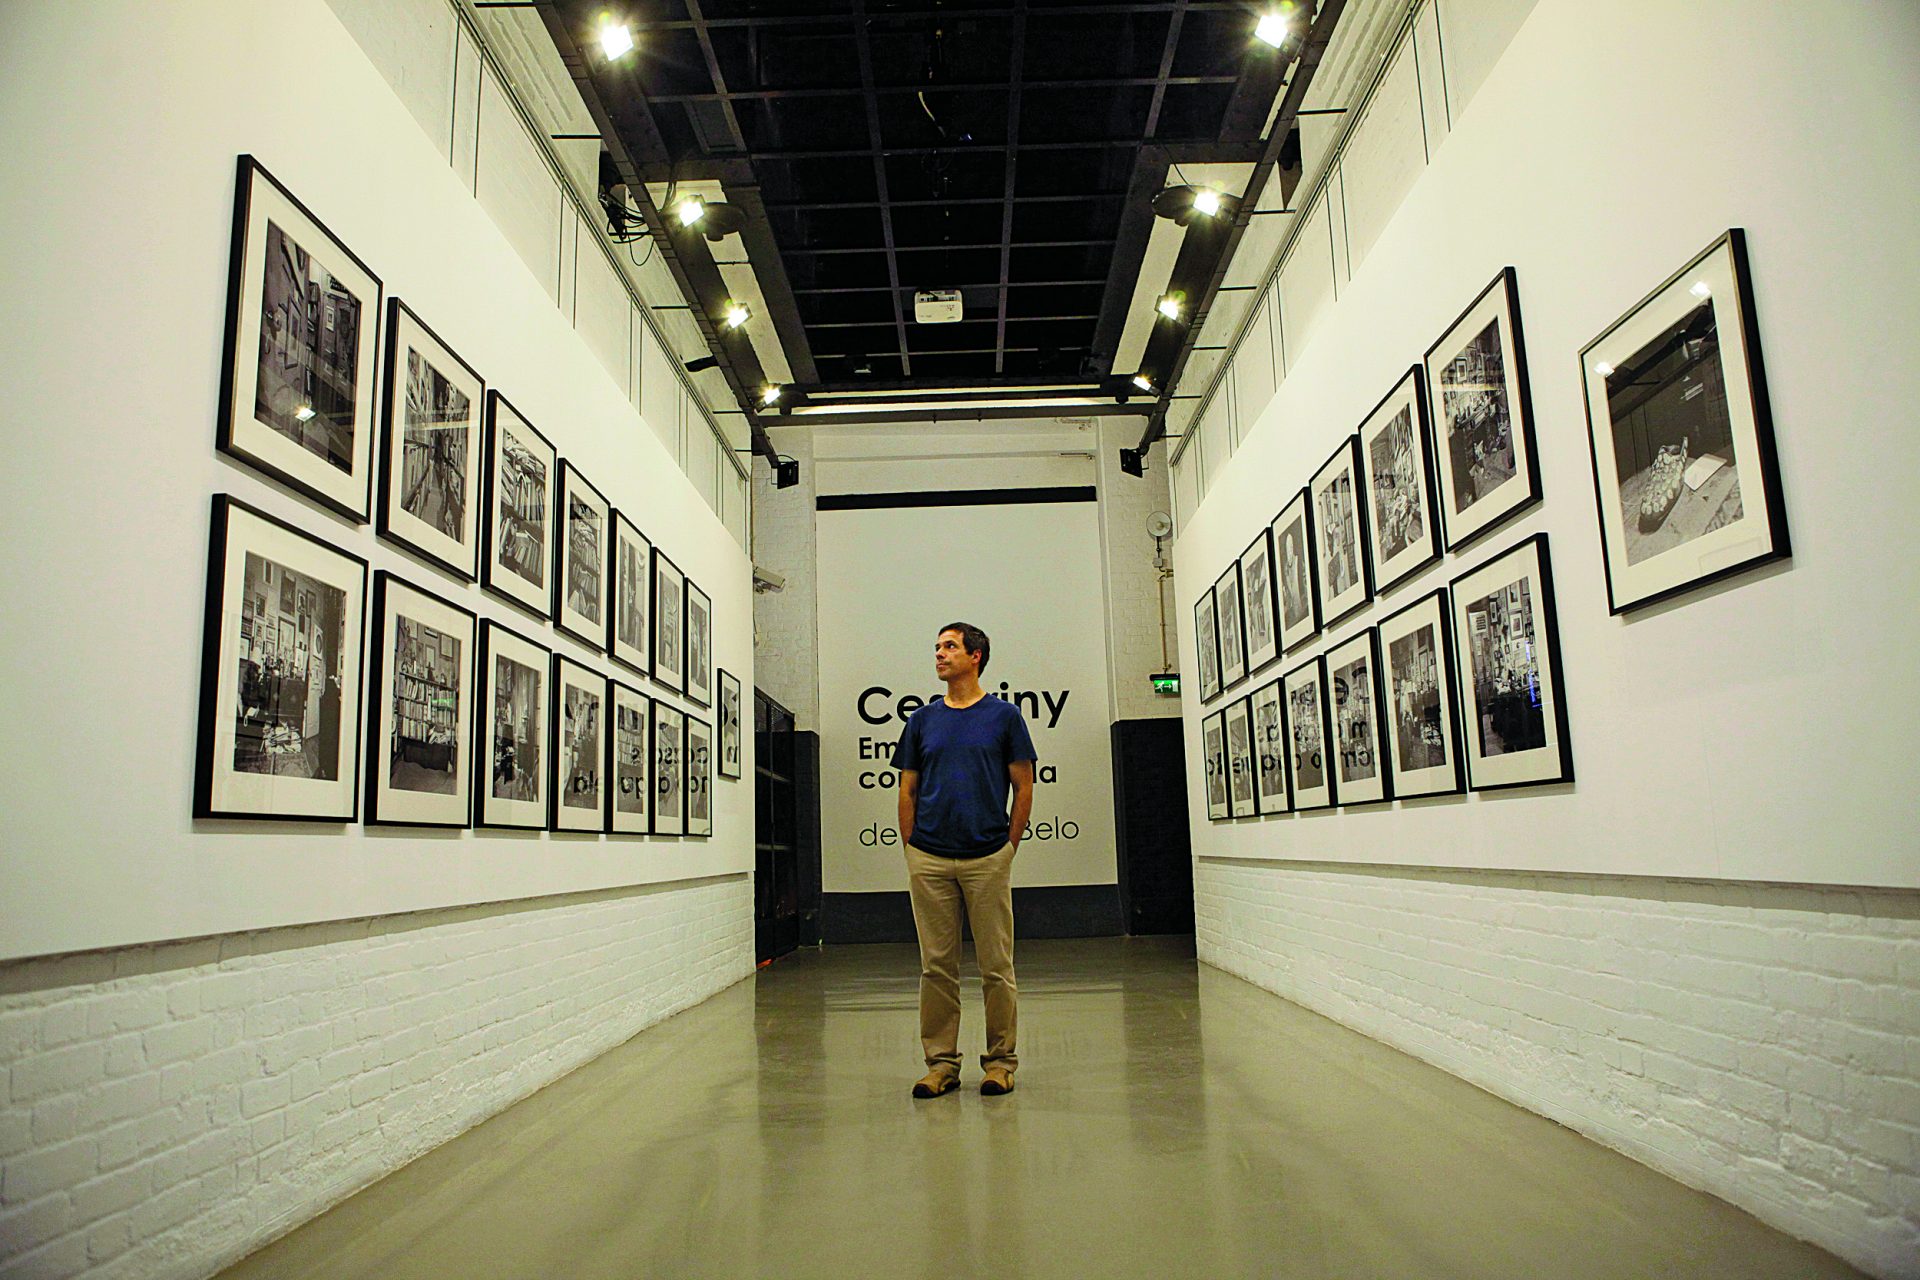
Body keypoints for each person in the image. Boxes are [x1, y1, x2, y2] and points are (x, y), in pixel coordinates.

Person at [893, 622, 1037, 1098]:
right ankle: (940, 1065)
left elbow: (1023, 786)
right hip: (929, 859)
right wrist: (912, 846)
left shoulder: (1005, 717)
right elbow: (907, 788)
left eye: (950, 647)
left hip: (987, 857)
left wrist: (1008, 846)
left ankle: (1000, 1063)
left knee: (996, 967)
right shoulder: (921, 721)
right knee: (936, 968)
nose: (939, 654)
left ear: (975, 656)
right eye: (936, 646)